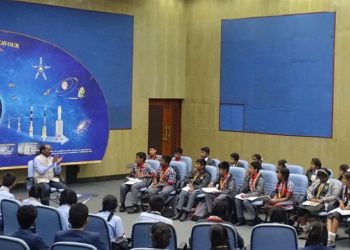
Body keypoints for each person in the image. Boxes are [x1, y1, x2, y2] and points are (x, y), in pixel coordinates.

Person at [297, 168, 340, 239]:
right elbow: (309, 190)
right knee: (300, 208)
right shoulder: (318, 181)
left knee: (311, 211)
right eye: (320, 176)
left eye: (323, 176)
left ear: (327, 176)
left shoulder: (333, 183)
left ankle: (313, 231)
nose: (321, 178)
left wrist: (323, 199)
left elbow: (335, 195)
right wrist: (311, 198)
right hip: (313, 201)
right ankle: (305, 230)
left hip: (323, 203)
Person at [235, 161, 264, 226]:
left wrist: (247, 195)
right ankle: (241, 219)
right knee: (237, 199)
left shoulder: (260, 179)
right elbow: (244, 189)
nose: (249, 169)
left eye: (251, 168)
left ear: (256, 170)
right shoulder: (249, 177)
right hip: (250, 195)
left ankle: (255, 218)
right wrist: (245, 178)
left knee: (245, 201)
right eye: (249, 167)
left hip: (259, 196)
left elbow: (258, 192)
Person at [326, 172, 350, 247]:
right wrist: (340, 202)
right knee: (330, 214)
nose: (342, 180)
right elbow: (337, 196)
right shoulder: (344, 187)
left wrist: (348, 207)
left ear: (349, 180)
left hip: (348, 209)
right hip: (344, 208)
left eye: (343, 179)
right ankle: (330, 238)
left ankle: (331, 239)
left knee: (336, 215)